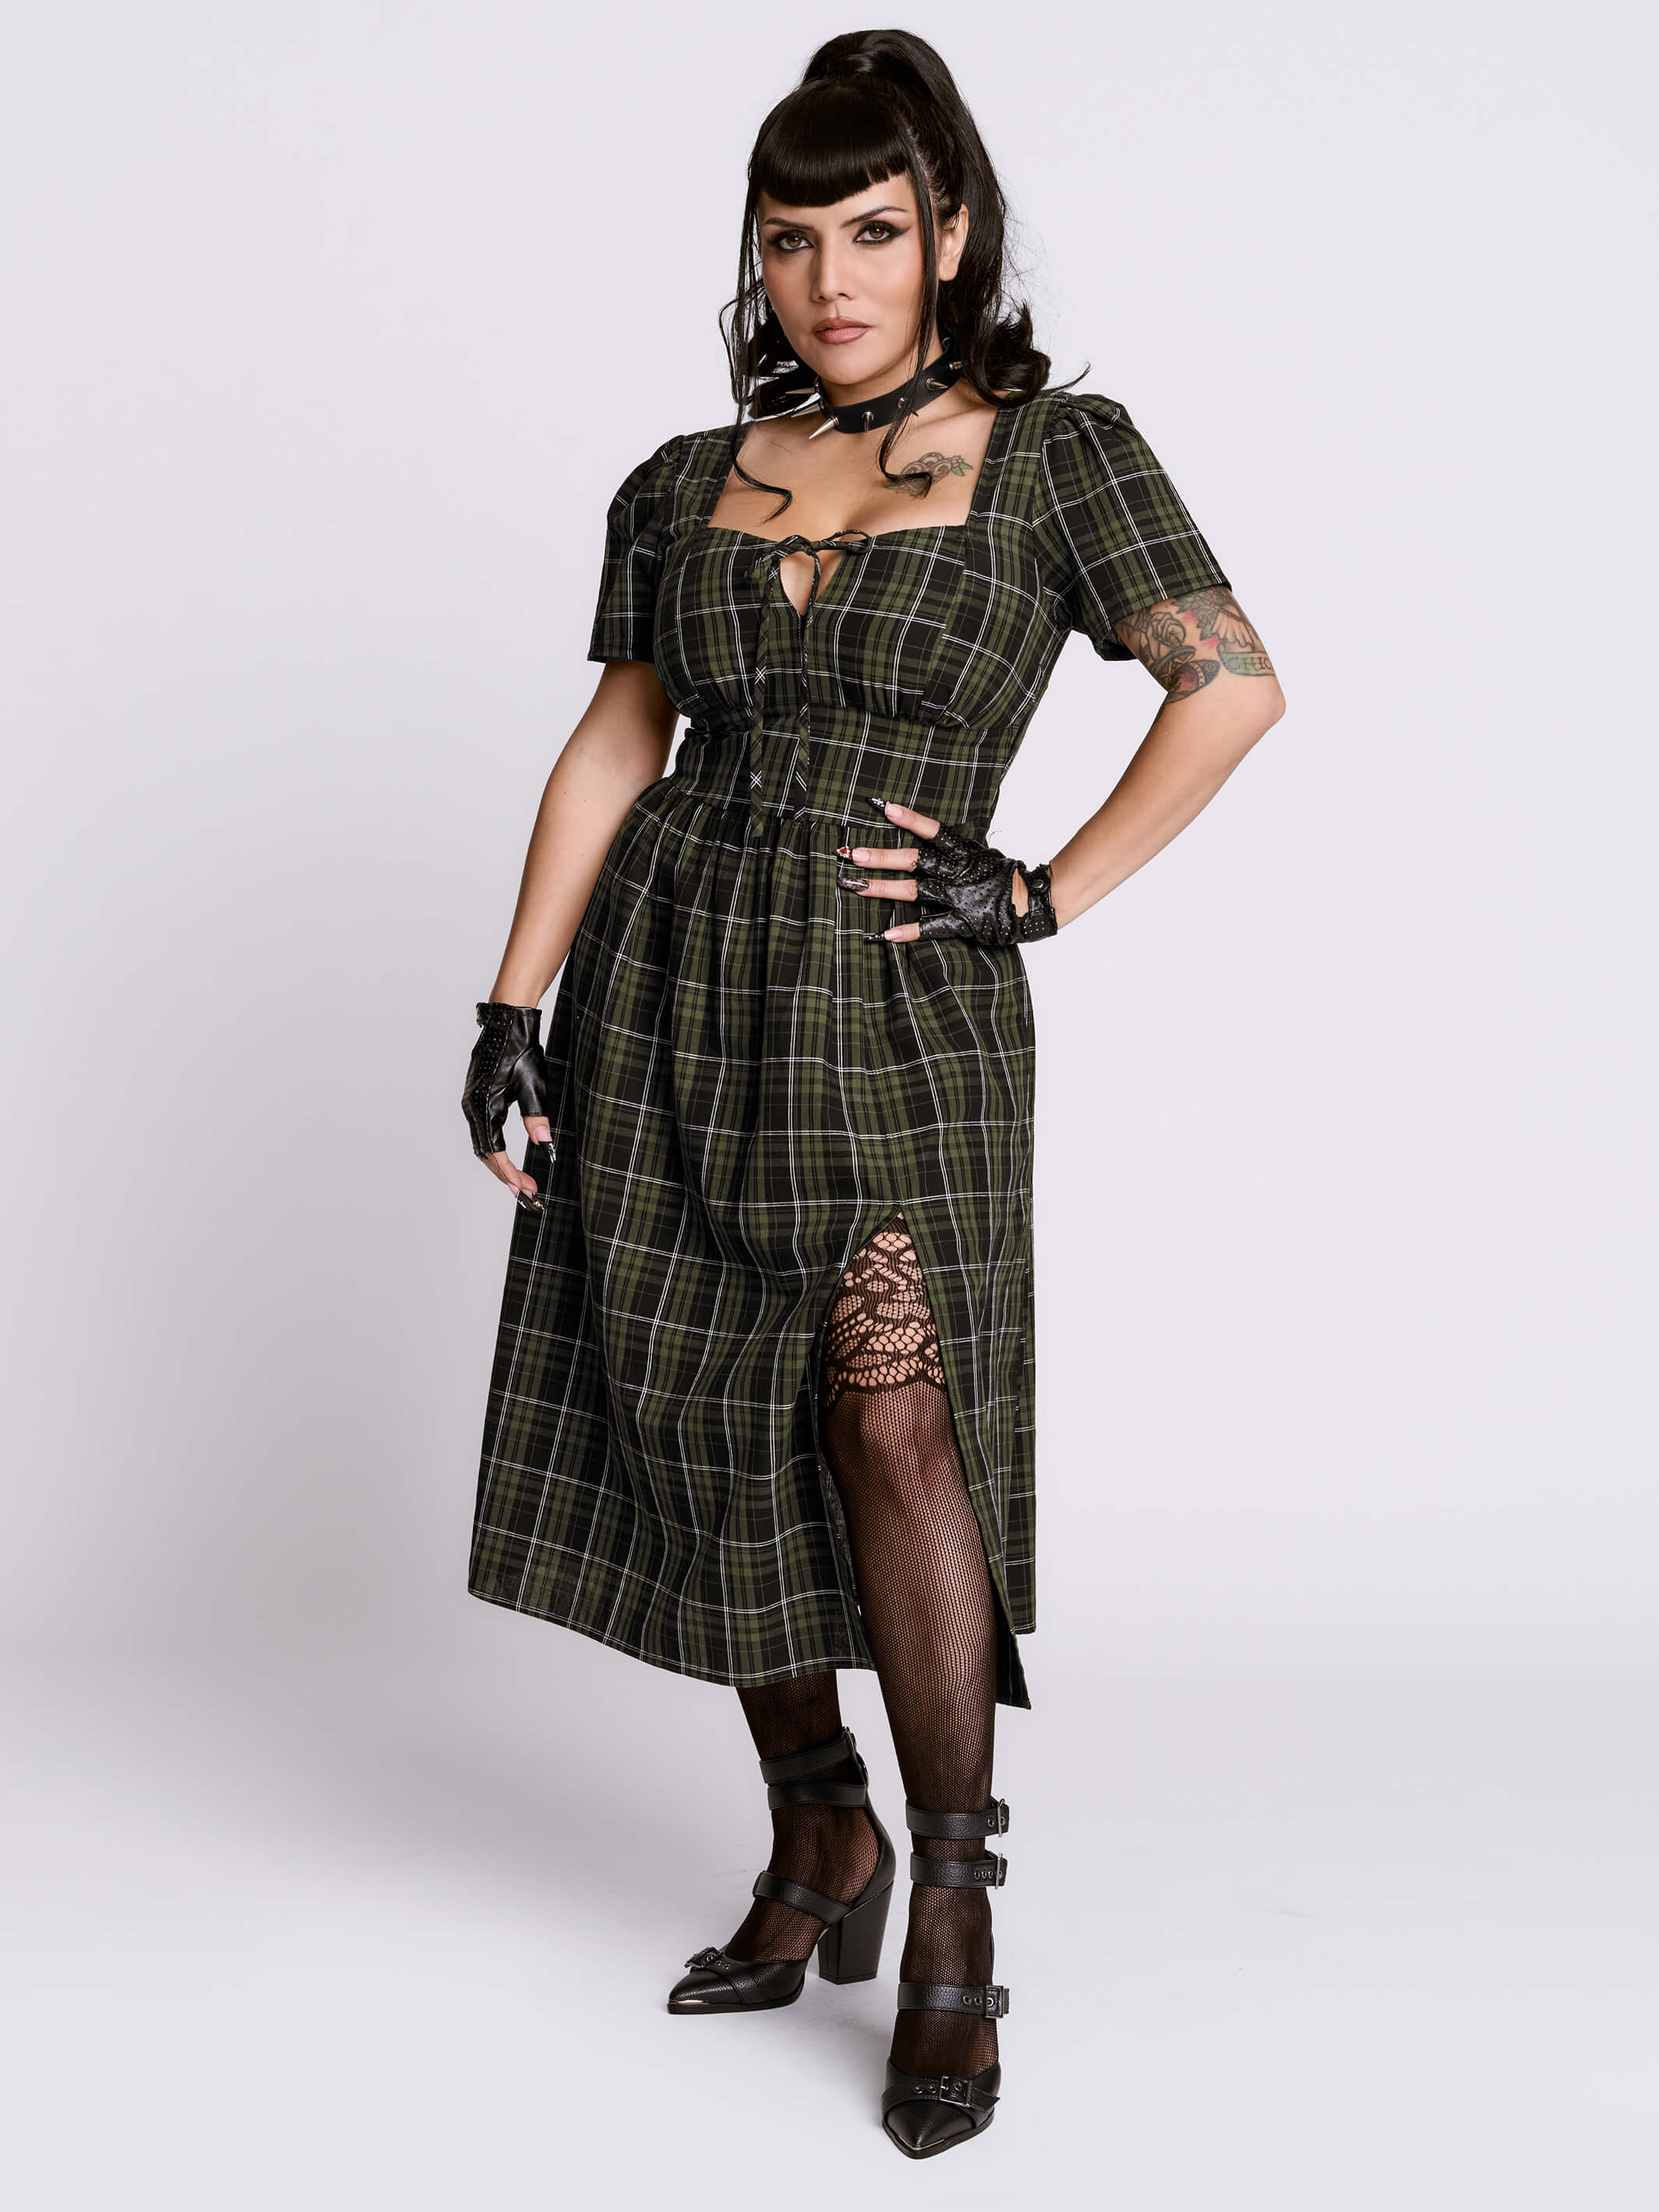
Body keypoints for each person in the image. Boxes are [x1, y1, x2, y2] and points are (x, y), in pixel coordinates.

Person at [461, 27, 1282, 2161]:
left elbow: (1231, 686)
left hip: (895, 990)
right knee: (698, 1391)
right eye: (788, 238)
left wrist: (1043, 889)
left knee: (890, 1411)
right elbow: (618, 738)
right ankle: (817, 1824)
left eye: (874, 231)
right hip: (668, 972)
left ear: (952, 235)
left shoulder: (1060, 454)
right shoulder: (685, 478)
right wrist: (512, 1001)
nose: (830, 278)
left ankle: (953, 1908)